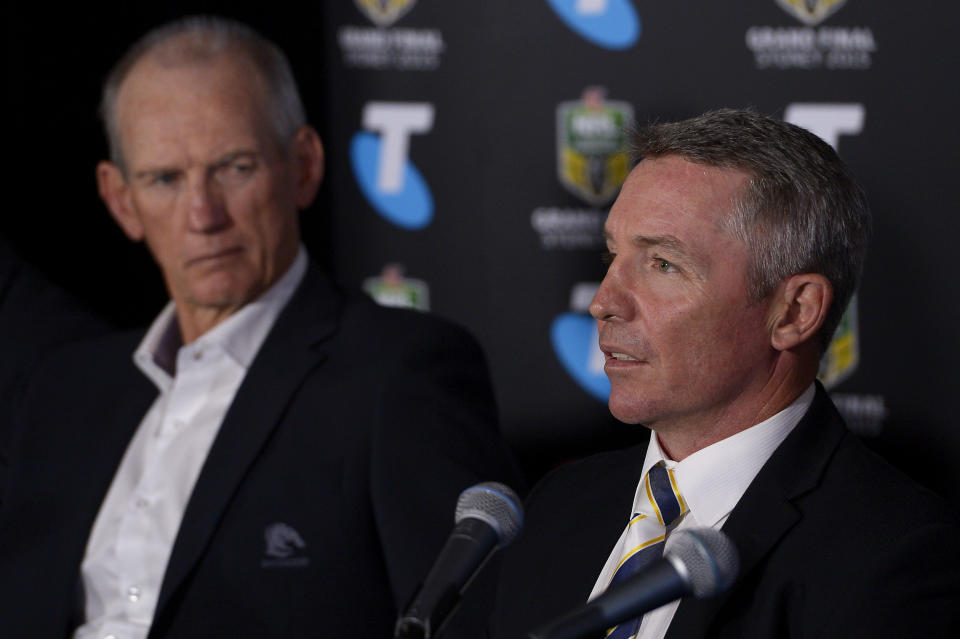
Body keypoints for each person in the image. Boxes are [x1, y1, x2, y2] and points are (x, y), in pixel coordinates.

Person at [0, 16, 520, 638]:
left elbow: (472, 623)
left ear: (302, 166)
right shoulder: (67, 389)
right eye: (165, 179)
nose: (203, 215)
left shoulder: (399, 373)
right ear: (121, 201)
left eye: (235, 167)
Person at [490, 109, 960, 638]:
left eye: (662, 264)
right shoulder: (560, 505)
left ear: (794, 312)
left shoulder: (891, 556)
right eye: (612, 255)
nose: (603, 302)